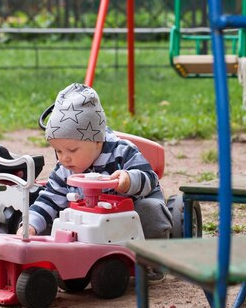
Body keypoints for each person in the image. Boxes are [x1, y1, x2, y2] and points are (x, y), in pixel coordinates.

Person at [17, 82, 172, 281]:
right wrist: (29, 225)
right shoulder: (64, 169)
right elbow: (48, 200)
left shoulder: (121, 151)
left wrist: (128, 180)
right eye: (58, 151)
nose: (64, 158)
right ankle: (75, 266)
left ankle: (151, 263)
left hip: (129, 215)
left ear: (97, 141)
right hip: (92, 222)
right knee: (55, 220)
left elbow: (150, 178)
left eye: (72, 150)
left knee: (150, 210)